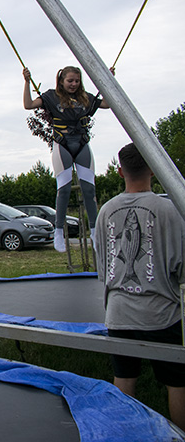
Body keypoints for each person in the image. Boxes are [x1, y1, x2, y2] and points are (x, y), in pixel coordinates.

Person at [95, 142, 185, 430]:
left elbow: (103, 269)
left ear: (120, 171)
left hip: (119, 314)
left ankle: (126, 433)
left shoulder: (105, 212)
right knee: (177, 383)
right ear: (154, 170)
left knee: (124, 379)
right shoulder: (171, 210)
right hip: (162, 315)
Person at [23, 65, 110, 252]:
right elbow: (28, 105)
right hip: (62, 144)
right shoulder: (51, 96)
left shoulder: (85, 98)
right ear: (62, 81)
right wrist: (27, 82)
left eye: (77, 81)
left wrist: (108, 82)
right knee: (63, 190)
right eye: (70, 81)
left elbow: (108, 104)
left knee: (89, 190)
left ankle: (94, 233)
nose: (73, 84)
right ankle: (59, 231)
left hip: (82, 144)